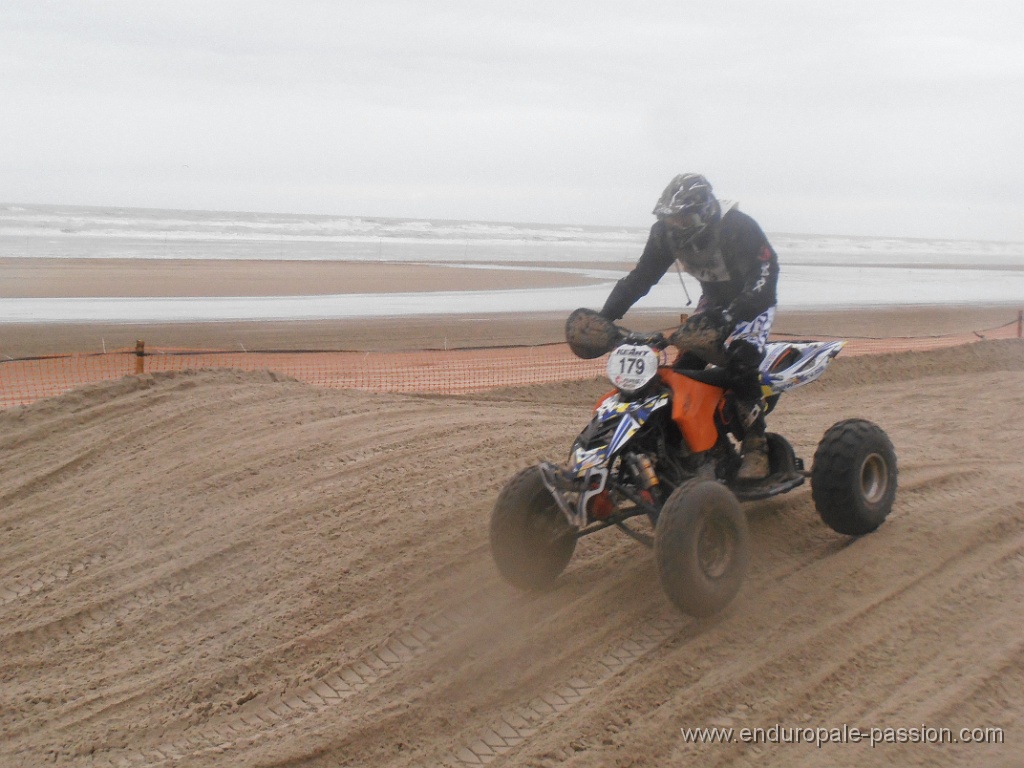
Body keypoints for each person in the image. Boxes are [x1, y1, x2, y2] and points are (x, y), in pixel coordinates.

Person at [599, 173, 779, 480]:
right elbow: (642, 277)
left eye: (685, 218)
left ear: (705, 213)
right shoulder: (663, 234)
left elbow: (766, 277)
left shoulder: (738, 227)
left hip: (753, 302)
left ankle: (756, 445)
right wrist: (605, 317)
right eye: (672, 219)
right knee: (682, 372)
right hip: (712, 301)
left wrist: (733, 315)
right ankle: (689, 442)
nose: (678, 225)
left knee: (740, 359)